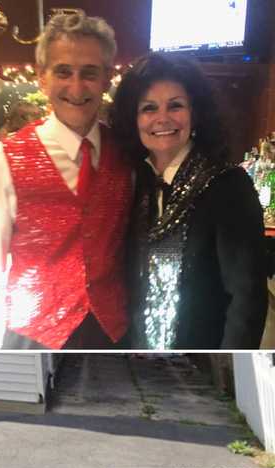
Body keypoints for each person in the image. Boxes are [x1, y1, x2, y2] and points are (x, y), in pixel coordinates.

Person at [0, 12, 132, 350]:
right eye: (63, 72)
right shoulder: (5, 157)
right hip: (33, 334)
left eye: (89, 73)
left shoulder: (127, 154)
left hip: (113, 332)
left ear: (106, 79)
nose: (76, 87)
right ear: (42, 79)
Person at [110, 53, 267, 349]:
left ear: (196, 113)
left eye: (176, 105)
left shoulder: (227, 185)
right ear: (134, 119)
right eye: (148, 108)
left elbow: (246, 299)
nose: (162, 118)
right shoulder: (134, 183)